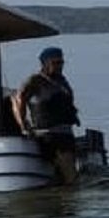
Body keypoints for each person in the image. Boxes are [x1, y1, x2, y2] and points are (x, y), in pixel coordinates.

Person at [12, 46, 81, 185]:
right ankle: (71, 199)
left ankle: (62, 198)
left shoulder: (62, 81)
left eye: (61, 63)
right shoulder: (36, 80)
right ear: (45, 63)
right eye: (55, 63)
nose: (59, 66)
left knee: (62, 176)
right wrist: (23, 124)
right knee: (71, 177)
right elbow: (18, 99)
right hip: (48, 135)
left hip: (65, 133)